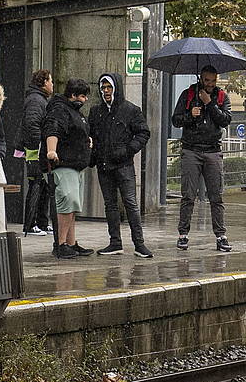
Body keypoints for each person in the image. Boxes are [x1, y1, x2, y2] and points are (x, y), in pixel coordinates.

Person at [89, 73, 152, 258]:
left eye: (109, 87)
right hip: (104, 165)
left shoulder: (131, 110)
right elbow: (92, 136)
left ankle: (139, 244)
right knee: (110, 205)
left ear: (116, 88)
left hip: (123, 165)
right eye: (103, 88)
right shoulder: (96, 111)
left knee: (131, 204)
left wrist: (127, 150)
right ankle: (115, 242)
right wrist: (92, 156)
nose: (106, 91)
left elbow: (143, 133)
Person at [171, 65, 233, 252]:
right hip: (191, 150)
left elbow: (225, 120)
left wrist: (209, 104)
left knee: (216, 196)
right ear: (201, 79)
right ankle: (183, 235)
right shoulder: (188, 95)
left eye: (214, 81)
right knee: (188, 195)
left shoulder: (221, 97)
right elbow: (176, 119)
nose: (210, 84)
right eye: (207, 80)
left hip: (213, 150)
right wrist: (190, 115)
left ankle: (221, 235)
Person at [43, 78, 94, 259]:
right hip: (64, 164)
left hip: (74, 165)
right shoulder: (60, 110)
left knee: (71, 206)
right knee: (67, 203)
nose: (85, 100)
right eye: (82, 96)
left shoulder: (73, 111)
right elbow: (53, 130)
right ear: (72, 95)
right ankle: (61, 243)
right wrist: (51, 151)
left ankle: (71, 243)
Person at [20, 69, 54, 237]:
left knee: (44, 186)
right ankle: (30, 224)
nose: (52, 85)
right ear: (44, 83)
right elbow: (32, 124)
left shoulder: (39, 99)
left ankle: (42, 222)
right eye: (50, 81)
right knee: (36, 184)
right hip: (34, 150)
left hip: (38, 149)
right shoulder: (36, 100)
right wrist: (39, 144)